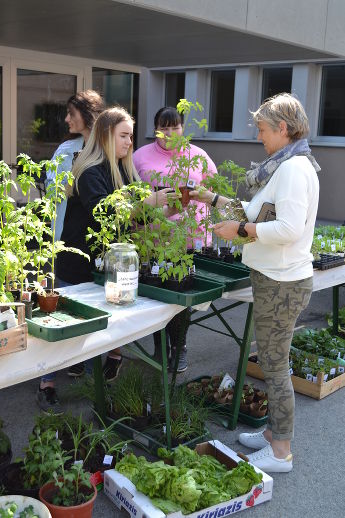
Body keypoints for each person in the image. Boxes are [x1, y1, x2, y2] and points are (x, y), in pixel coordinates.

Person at [190, 93, 320, 472]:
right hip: (275, 279)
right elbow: (253, 210)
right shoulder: (283, 165)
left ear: (283, 128)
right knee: (271, 363)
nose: (259, 136)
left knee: (276, 368)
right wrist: (211, 197)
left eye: (263, 129)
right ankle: (271, 435)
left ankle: (280, 452)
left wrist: (241, 230)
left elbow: (288, 228)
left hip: (282, 284)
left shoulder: (294, 170)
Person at [36, 107, 175, 413]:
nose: (129, 142)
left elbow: (133, 220)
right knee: (63, 324)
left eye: (131, 136)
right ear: (105, 135)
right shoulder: (89, 172)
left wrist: (165, 209)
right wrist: (148, 202)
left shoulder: (123, 170)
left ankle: (90, 381)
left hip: (105, 263)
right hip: (77, 262)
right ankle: (46, 384)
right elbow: (105, 213)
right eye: (123, 135)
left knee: (98, 326)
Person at [133, 106, 218, 372]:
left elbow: (213, 192)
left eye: (175, 127)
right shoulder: (140, 157)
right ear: (155, 128)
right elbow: (132, 194)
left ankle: (179, 347)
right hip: (154, 237)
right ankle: (159, 347)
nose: (169, 133)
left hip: (189, 238)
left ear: (183, 128)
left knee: (182, 298)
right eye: (163, 127)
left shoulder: (199, 155)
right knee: (157, 297)